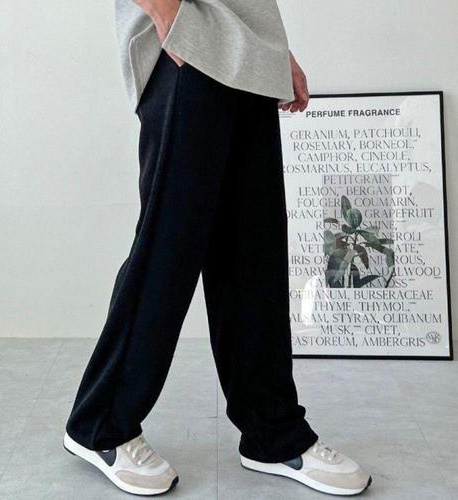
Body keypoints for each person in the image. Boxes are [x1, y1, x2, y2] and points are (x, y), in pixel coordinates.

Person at [63, 0, 372, 496]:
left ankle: (271, 431)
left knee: (253, 255)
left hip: (247, 58)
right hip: (188, 52)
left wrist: (274, 53)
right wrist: (168, 16)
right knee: (167, 251)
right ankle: (100, 423)